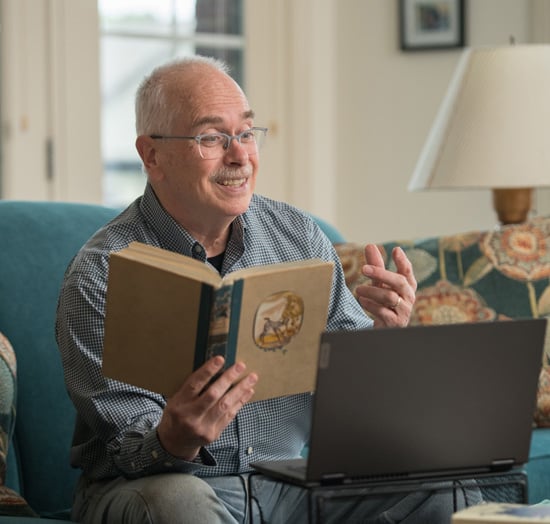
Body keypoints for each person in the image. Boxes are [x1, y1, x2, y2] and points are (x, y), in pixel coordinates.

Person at [56, 55, 478, 523]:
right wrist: (173, 439)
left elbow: (352, 406)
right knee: (178, 504)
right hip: (155, 487)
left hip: (285, 484)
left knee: (444, 486)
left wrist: (380, 337)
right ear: (152, 155)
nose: (240, 156)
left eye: (246, 134)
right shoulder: (101, 274)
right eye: (212, 137)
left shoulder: (299, 236)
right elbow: (126, 449)